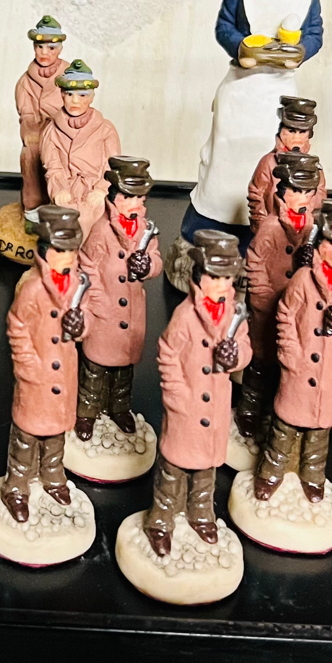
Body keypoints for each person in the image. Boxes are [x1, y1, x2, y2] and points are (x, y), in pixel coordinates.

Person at [185, 0, 324, 242]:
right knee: (228, 153)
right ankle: (217, 217)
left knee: (268, 154)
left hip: (279, 89)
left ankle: (266, 222)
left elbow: (315, 32)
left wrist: (301, 50)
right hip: (242, 86)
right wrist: (242, 47)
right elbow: (224, 26)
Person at [254, 201, 332, 503]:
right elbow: (285, 314)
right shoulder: (303, 279)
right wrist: (290, 353)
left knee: (319, 432)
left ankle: (313, 475)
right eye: (331, 242)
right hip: (299, 368)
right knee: (284, 427)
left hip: (328, 373)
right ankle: (271, 471)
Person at [144, 230, 251, 555]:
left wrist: (236, 358)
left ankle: (201, 513)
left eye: (227, 279)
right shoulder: (185, 317)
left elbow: (245, 348)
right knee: (174, 468)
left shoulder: (234, 314)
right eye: (215, 278)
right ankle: (161, 519)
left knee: (206, 469)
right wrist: (176, 395)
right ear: (200, 277)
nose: (222, 286)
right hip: (186, 410)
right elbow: (167, 354)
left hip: (215, 408)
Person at [0, 205, 86, 522]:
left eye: (72, 251)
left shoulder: (77, 286)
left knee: (55, 435)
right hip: (37, 378)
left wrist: (81, 326)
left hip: (63, 375)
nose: (69, 258)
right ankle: (17, 485)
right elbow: (17, 327)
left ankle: (52, 476)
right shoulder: (34, 289)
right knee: (27, 436)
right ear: (47, 252)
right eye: (62, 251)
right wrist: (29, 366)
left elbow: (86, 319)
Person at [72, 156, 161, 440]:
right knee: (95, 368)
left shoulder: (146, 231)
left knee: (124, 369)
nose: (135, 204)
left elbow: (156, 260)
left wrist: (148, 266)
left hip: (131, 315)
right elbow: (86, 267)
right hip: (104, 316)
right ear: (114, 198)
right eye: (128, 197)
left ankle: (119, 407)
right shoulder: (101, 231)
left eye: (140, 198)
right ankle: (87, 411)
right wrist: (97, 301)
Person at [236, 153, 322, 441]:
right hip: (268, 305)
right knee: (261, 361)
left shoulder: (311, 227)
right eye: (297, 191)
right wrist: (261, 297)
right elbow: (255, 261)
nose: (303, 198)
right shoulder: (272, 227)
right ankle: (249, 409)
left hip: (296, 309)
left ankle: (274, 409)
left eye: (309, 192)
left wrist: (311, 261)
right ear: (283, 193)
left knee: (285, 360)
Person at [39, 60, 121, 235]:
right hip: (66, 188)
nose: (75, 100)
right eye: (69, 94)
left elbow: (112, 166)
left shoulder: (106, 129)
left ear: (91, 97)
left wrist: (101, 190)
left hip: (94, 190)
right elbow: (52, 166)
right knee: (64, 222)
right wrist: (59, 189)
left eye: (82, 95)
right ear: (62, 95)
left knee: (95, 224)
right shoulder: (51, 131)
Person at [15, 15, 70, 222]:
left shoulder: (68, 76)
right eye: (40, 47)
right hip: (38, 131)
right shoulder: (26, 81)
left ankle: (65, 204)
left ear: (60, 49)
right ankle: (34, 207)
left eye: (51, 48)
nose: (44, 53)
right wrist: (30, 131)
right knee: (31, 155)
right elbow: (27, 113)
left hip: (63, 130)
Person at [246, 97, 323, 225]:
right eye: (291, 131)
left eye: (302, 132)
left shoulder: (314, 166)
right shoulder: (268, 162)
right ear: (281, 131)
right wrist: (262, 226)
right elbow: (256, 194)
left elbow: (320, 196)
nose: (296, 137)